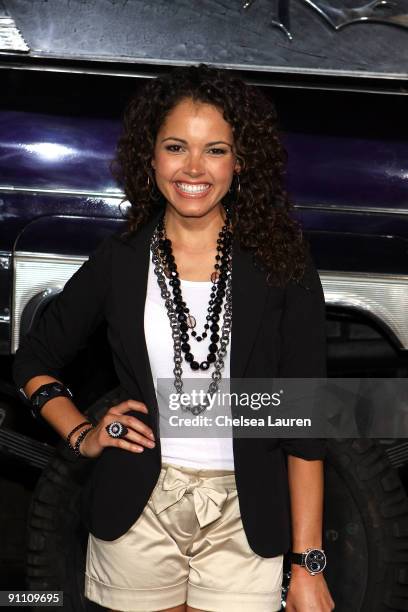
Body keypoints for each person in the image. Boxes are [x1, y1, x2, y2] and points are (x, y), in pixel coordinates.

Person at [13, 63, 335, 612]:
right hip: (137, 508)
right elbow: (34, 361)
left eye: (215, 150)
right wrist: (83, 435)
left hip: (246, 511)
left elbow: (303, 422)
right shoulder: (120, 259)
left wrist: (308, 563)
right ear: (151, 156)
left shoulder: (282, 263)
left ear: (241, 160)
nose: (193, 168)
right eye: (175, 147)